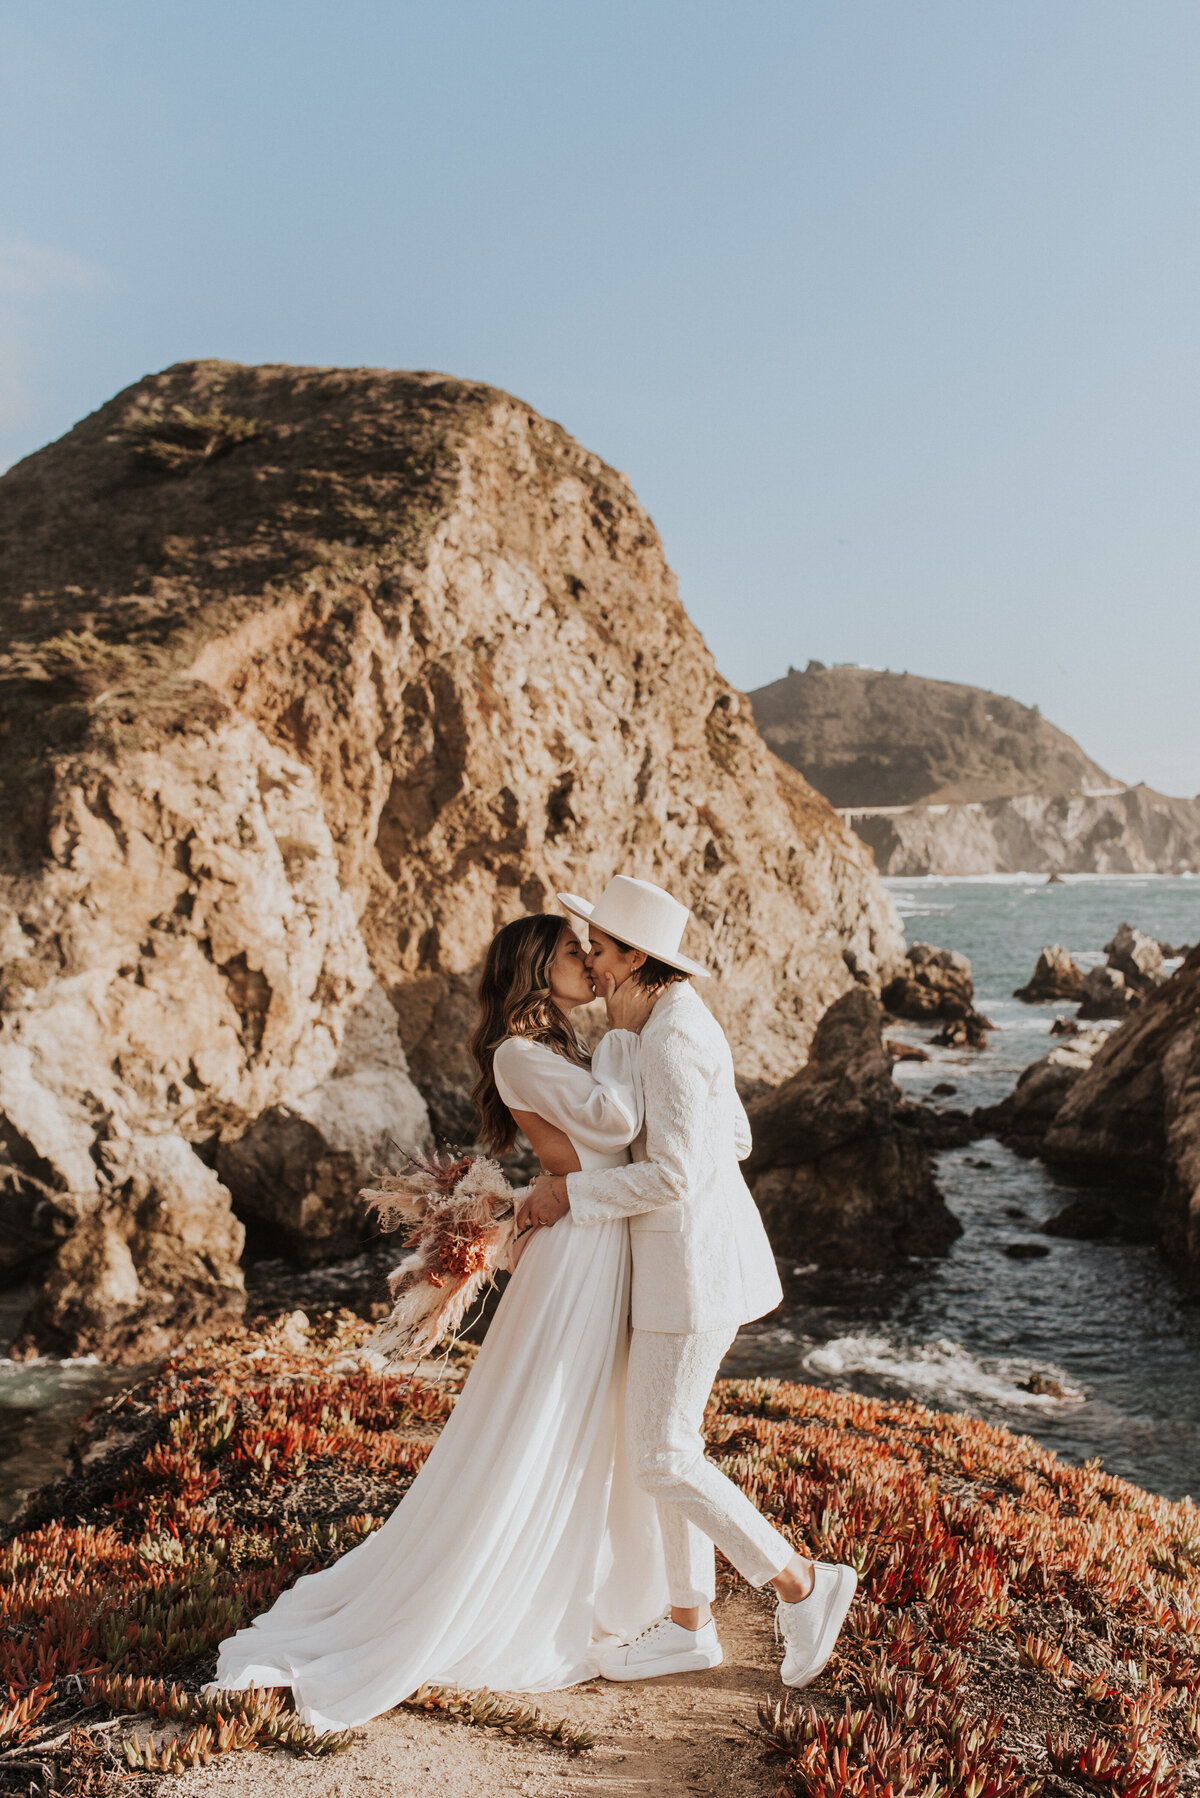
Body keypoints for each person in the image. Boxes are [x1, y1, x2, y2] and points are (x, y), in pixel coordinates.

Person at [210, 913, 668, 1731]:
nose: (591, 962)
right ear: (534, 967)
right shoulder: (520, 1053)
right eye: (574, 952)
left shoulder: (556, 1046)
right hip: (579, 1261)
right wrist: (634, 1033)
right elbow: (619, 1127)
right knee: (543, 1425)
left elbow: (592, 1145)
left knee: (580, 1423)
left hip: (596, 1243)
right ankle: (500, 1591)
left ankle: (581, 1579)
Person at [521, 875, 858, 1689]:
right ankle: (688, 1628)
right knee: (670, 1449)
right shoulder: (657, 1029)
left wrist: (572, 1193)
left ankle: (804, 1585)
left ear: (637, 957)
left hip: (695, 1274)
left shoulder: (670, 1039)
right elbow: (734, 1135)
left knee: (664, 1456)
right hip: (682, 1266)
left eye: (598, 951)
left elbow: (674, 1174)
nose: (590, 965)